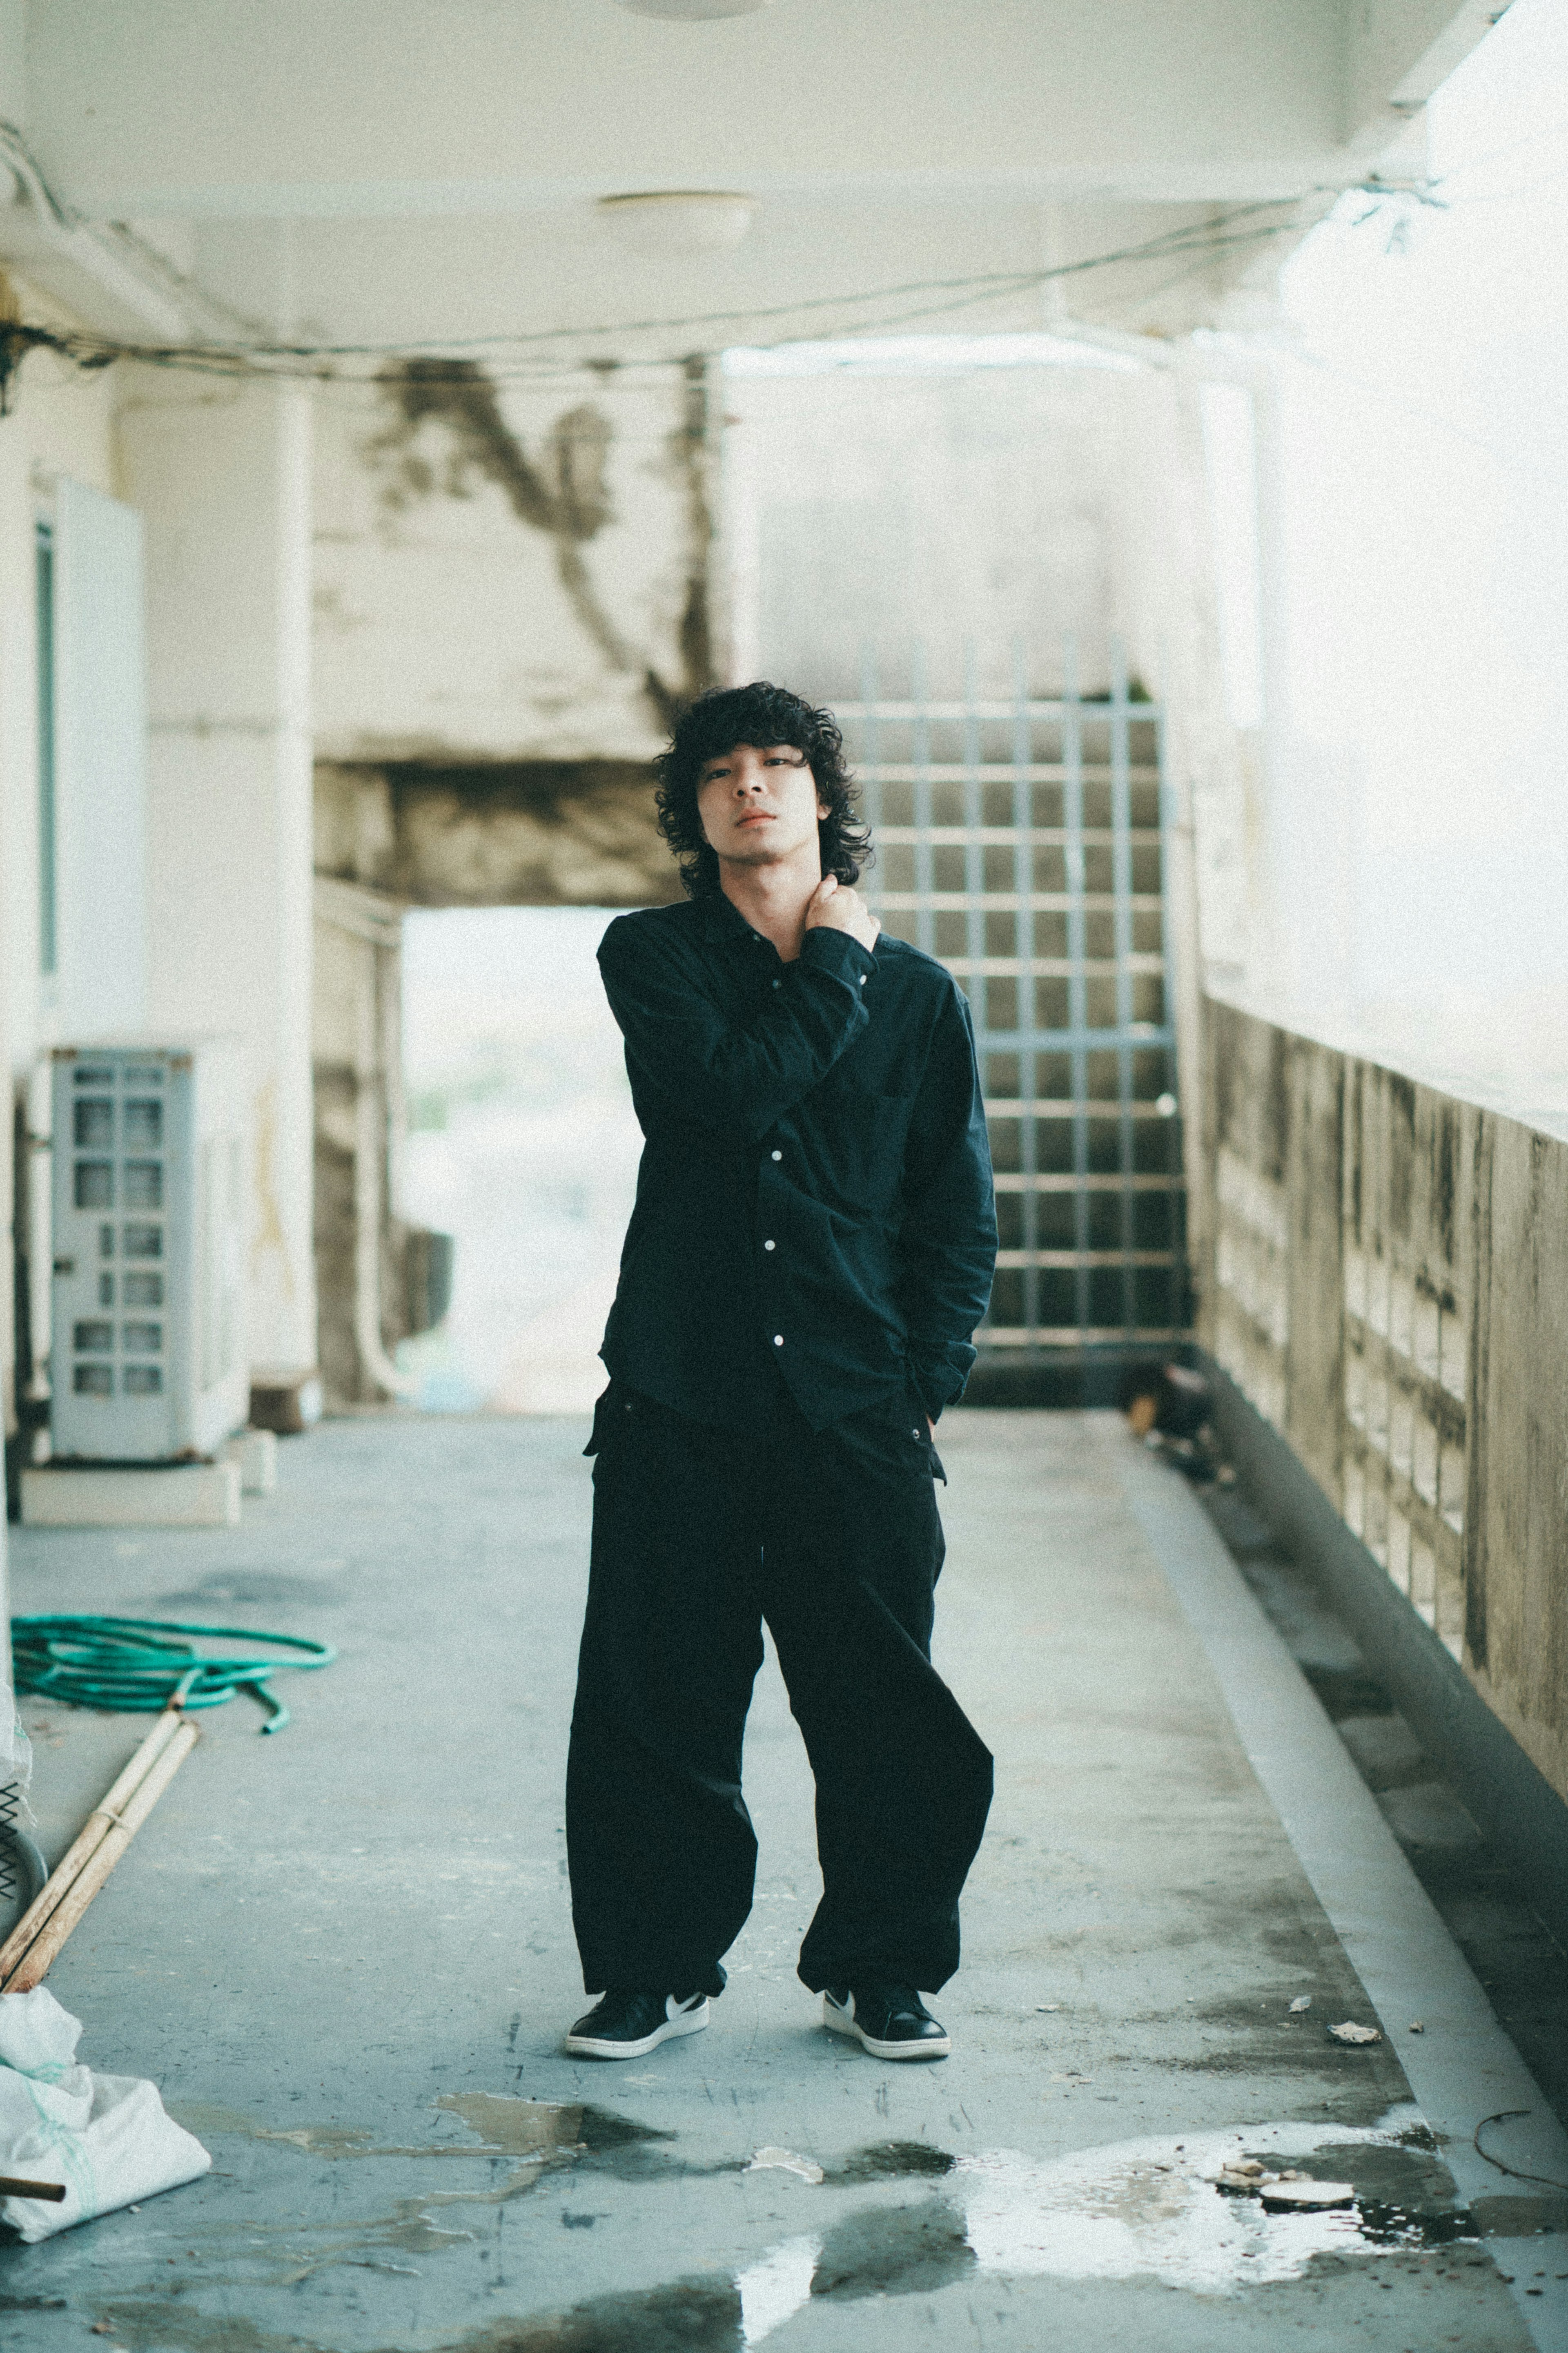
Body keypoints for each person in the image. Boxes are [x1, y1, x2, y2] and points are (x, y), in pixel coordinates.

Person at [564, 680, 997, 2065]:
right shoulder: (654, 956)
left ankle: (879, 1968)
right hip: (678, 1395)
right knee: (655, 1700)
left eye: (780, 764)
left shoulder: (923, 999)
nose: (752, 786)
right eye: (722, 772)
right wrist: (834, 965)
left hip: (853, 1405)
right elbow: (729, 1095)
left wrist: (920, 1380)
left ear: (824, 796)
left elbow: (954, 1210)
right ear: (695, 812)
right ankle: (654, 1969)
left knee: (884, 1710)